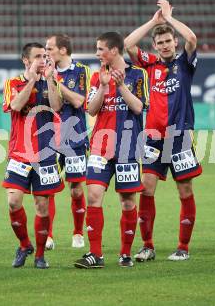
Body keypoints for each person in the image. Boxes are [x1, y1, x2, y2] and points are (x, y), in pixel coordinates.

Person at [124, 0, 202, 262]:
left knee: (185, 191)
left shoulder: (185, 63)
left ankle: (183, 247)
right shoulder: (149, 65)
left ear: (174, 43)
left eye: (169, 41)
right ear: (155, 47)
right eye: (161, 42)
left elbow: (191, 37)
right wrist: (154, 22)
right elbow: (127, 44)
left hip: (179, 136)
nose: (166, 45)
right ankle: (148, 246)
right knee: (145, 189)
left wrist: (168, 19)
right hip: (153, 138)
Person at [74, 31, 148, 269]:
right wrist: (105, 87)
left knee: (127, 201)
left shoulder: (138, 74)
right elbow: (91, 110)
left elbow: (138, 107)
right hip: (99, 147)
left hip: (127, 147)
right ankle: (95, 254)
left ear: (114, 50)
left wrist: (120, 86)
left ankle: (125, 254)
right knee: (94, 196)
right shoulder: (97, 77)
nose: (97, 54)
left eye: (100, 49)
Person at [2, 42, 64, 269]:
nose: (43, 59)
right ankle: (24, 244)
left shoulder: (51, 82)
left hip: (46, 155)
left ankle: (39, 255)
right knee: (13, 201)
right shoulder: (13, 83)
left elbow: (57, 107)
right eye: (38, 56)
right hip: (19, 154)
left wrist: (48, 80)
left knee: (42, 207)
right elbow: (16, 106)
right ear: (26, 60)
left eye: (45, 55)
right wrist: (32, 81)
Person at [44, 33, 91, 250]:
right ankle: (49, 236)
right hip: (48, 139)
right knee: (48, 189)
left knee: (76, 189)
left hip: (75, 138)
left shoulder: (81, 71)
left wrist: (55, 81)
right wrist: (49, 78)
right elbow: (54, 106)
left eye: (50, 48)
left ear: (63, 50)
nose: (46, 53)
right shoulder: (44, 72)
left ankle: (78, 233)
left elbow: (79, 101)